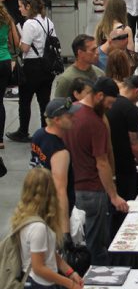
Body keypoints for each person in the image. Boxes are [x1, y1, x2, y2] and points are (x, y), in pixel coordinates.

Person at [63, 76, 128, 264]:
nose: (109, 108)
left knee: (75, 238)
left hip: (70, 187)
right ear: (99, 95)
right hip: (92, 189)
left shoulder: (69, 111)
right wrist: (114, 195)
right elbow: (102, 162)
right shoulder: (95, 122)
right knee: (95, 243)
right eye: (109, 103)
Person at [13, 167, 83, 289]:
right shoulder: (38, 228)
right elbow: (39, 268)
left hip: (40, 286)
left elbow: (49, 254)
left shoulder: (31, 219)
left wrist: (70, 272)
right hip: (40, 288)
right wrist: (69, 283)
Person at [6, 0, 56, 143]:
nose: (19, 9)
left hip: (32, 66)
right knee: (44, 100)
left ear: (28, 6)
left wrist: (19, 41)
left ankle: (23, 131)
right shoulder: (48, 21)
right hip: (47, 65)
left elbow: (25, 48)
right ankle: (46, 130)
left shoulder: (29, 24)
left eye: (21, 6)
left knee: (25, 100)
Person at [30, 97, 79, 239]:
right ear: (57, 120)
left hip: (38, 203)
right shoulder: (60, 152)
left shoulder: (39, 134)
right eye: (69, 116)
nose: (74, 118)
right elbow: (60, 190)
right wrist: (65, 232)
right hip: (53, 213)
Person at [107, 75, 138, 227]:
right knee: (126, 207)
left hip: (106, 163)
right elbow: (136, 146)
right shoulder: (131, 110)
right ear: (137, 91)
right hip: (124, 165)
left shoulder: (108, 102)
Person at [0, 3, 18, 149]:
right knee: (0, 102)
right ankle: (0, 140)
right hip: (5, 62)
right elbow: (16, 42)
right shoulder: (7, 19)